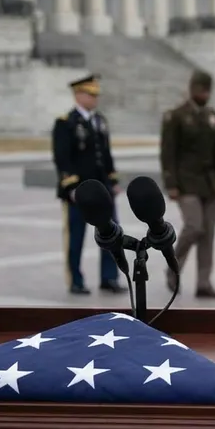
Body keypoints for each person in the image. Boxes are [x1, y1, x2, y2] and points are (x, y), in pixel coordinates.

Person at [52, 74, 127, 296]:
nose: (95, 99)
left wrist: (112, 180)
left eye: (96, 94)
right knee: (76, 237)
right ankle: (75, 279)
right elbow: (62, 157)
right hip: (79, 191)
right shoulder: (65, 122)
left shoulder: (99, 120)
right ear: (78, 95)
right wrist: (71, 186)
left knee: (111, 234)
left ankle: (109, 277)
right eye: (90, 94)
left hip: (102, 190)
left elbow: (105, 154)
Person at [159, 71, 215, 299]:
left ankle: (204, 282)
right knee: (194, 226)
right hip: (186, 182)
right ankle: (172, 267)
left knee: (208, 234)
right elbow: (168, 152)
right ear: (192, 89)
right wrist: (171, 184)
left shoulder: (212, 116)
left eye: (208, 91)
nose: (205, 95)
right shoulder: (176, 116)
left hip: (209, 184)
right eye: (201, 90)